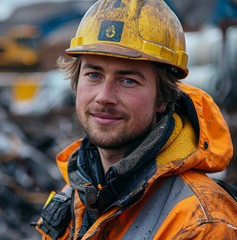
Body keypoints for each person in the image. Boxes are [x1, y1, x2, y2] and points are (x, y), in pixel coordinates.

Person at [32, 0, 237, 239]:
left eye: (128, 80)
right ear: (76, 84)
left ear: (163, 98)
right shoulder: (78, 191)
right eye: (94, 74)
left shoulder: (201, 222)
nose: (104, 97)